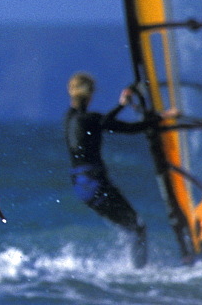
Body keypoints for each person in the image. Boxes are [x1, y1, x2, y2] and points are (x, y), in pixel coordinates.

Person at [64, 71, 149, 267]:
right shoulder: (91, 119)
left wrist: (121, 105)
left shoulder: (69, 118)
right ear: (91, 94)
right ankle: (139, 273)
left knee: (130, 227)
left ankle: (133, 266)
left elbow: (101, 123)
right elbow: (130, 128)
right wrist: (162, 119)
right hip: (95, 184)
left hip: (82, 186)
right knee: (138, 227)